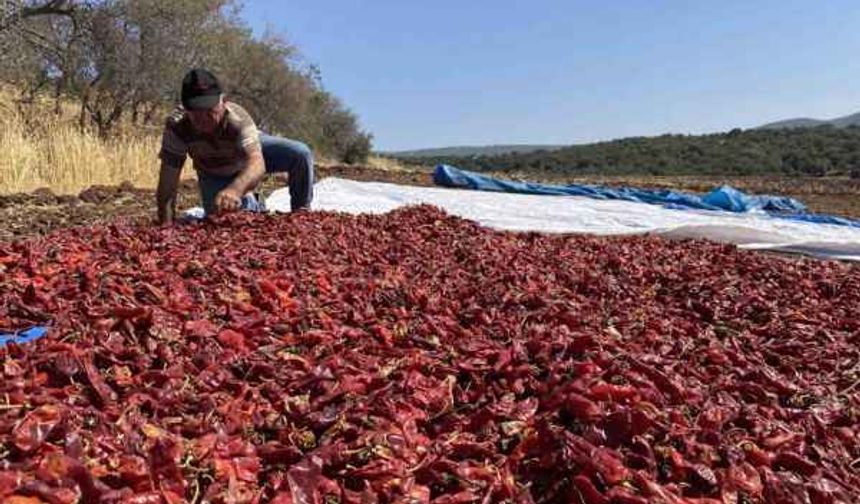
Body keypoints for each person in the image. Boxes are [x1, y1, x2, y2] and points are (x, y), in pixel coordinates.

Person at [156, 68, 314, 224]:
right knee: (225, 218)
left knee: (300, 154)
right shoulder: (177, 126)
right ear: (185, 107)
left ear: (223, 102)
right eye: (196, 112)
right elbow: (168, 182)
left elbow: (257, 163)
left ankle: (302, 216)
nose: (203, 118)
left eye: (209, 111)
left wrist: (236, 189)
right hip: (213, 171)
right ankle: (255, 202)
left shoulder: (237, 119)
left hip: (246, 153)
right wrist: (166, 224)